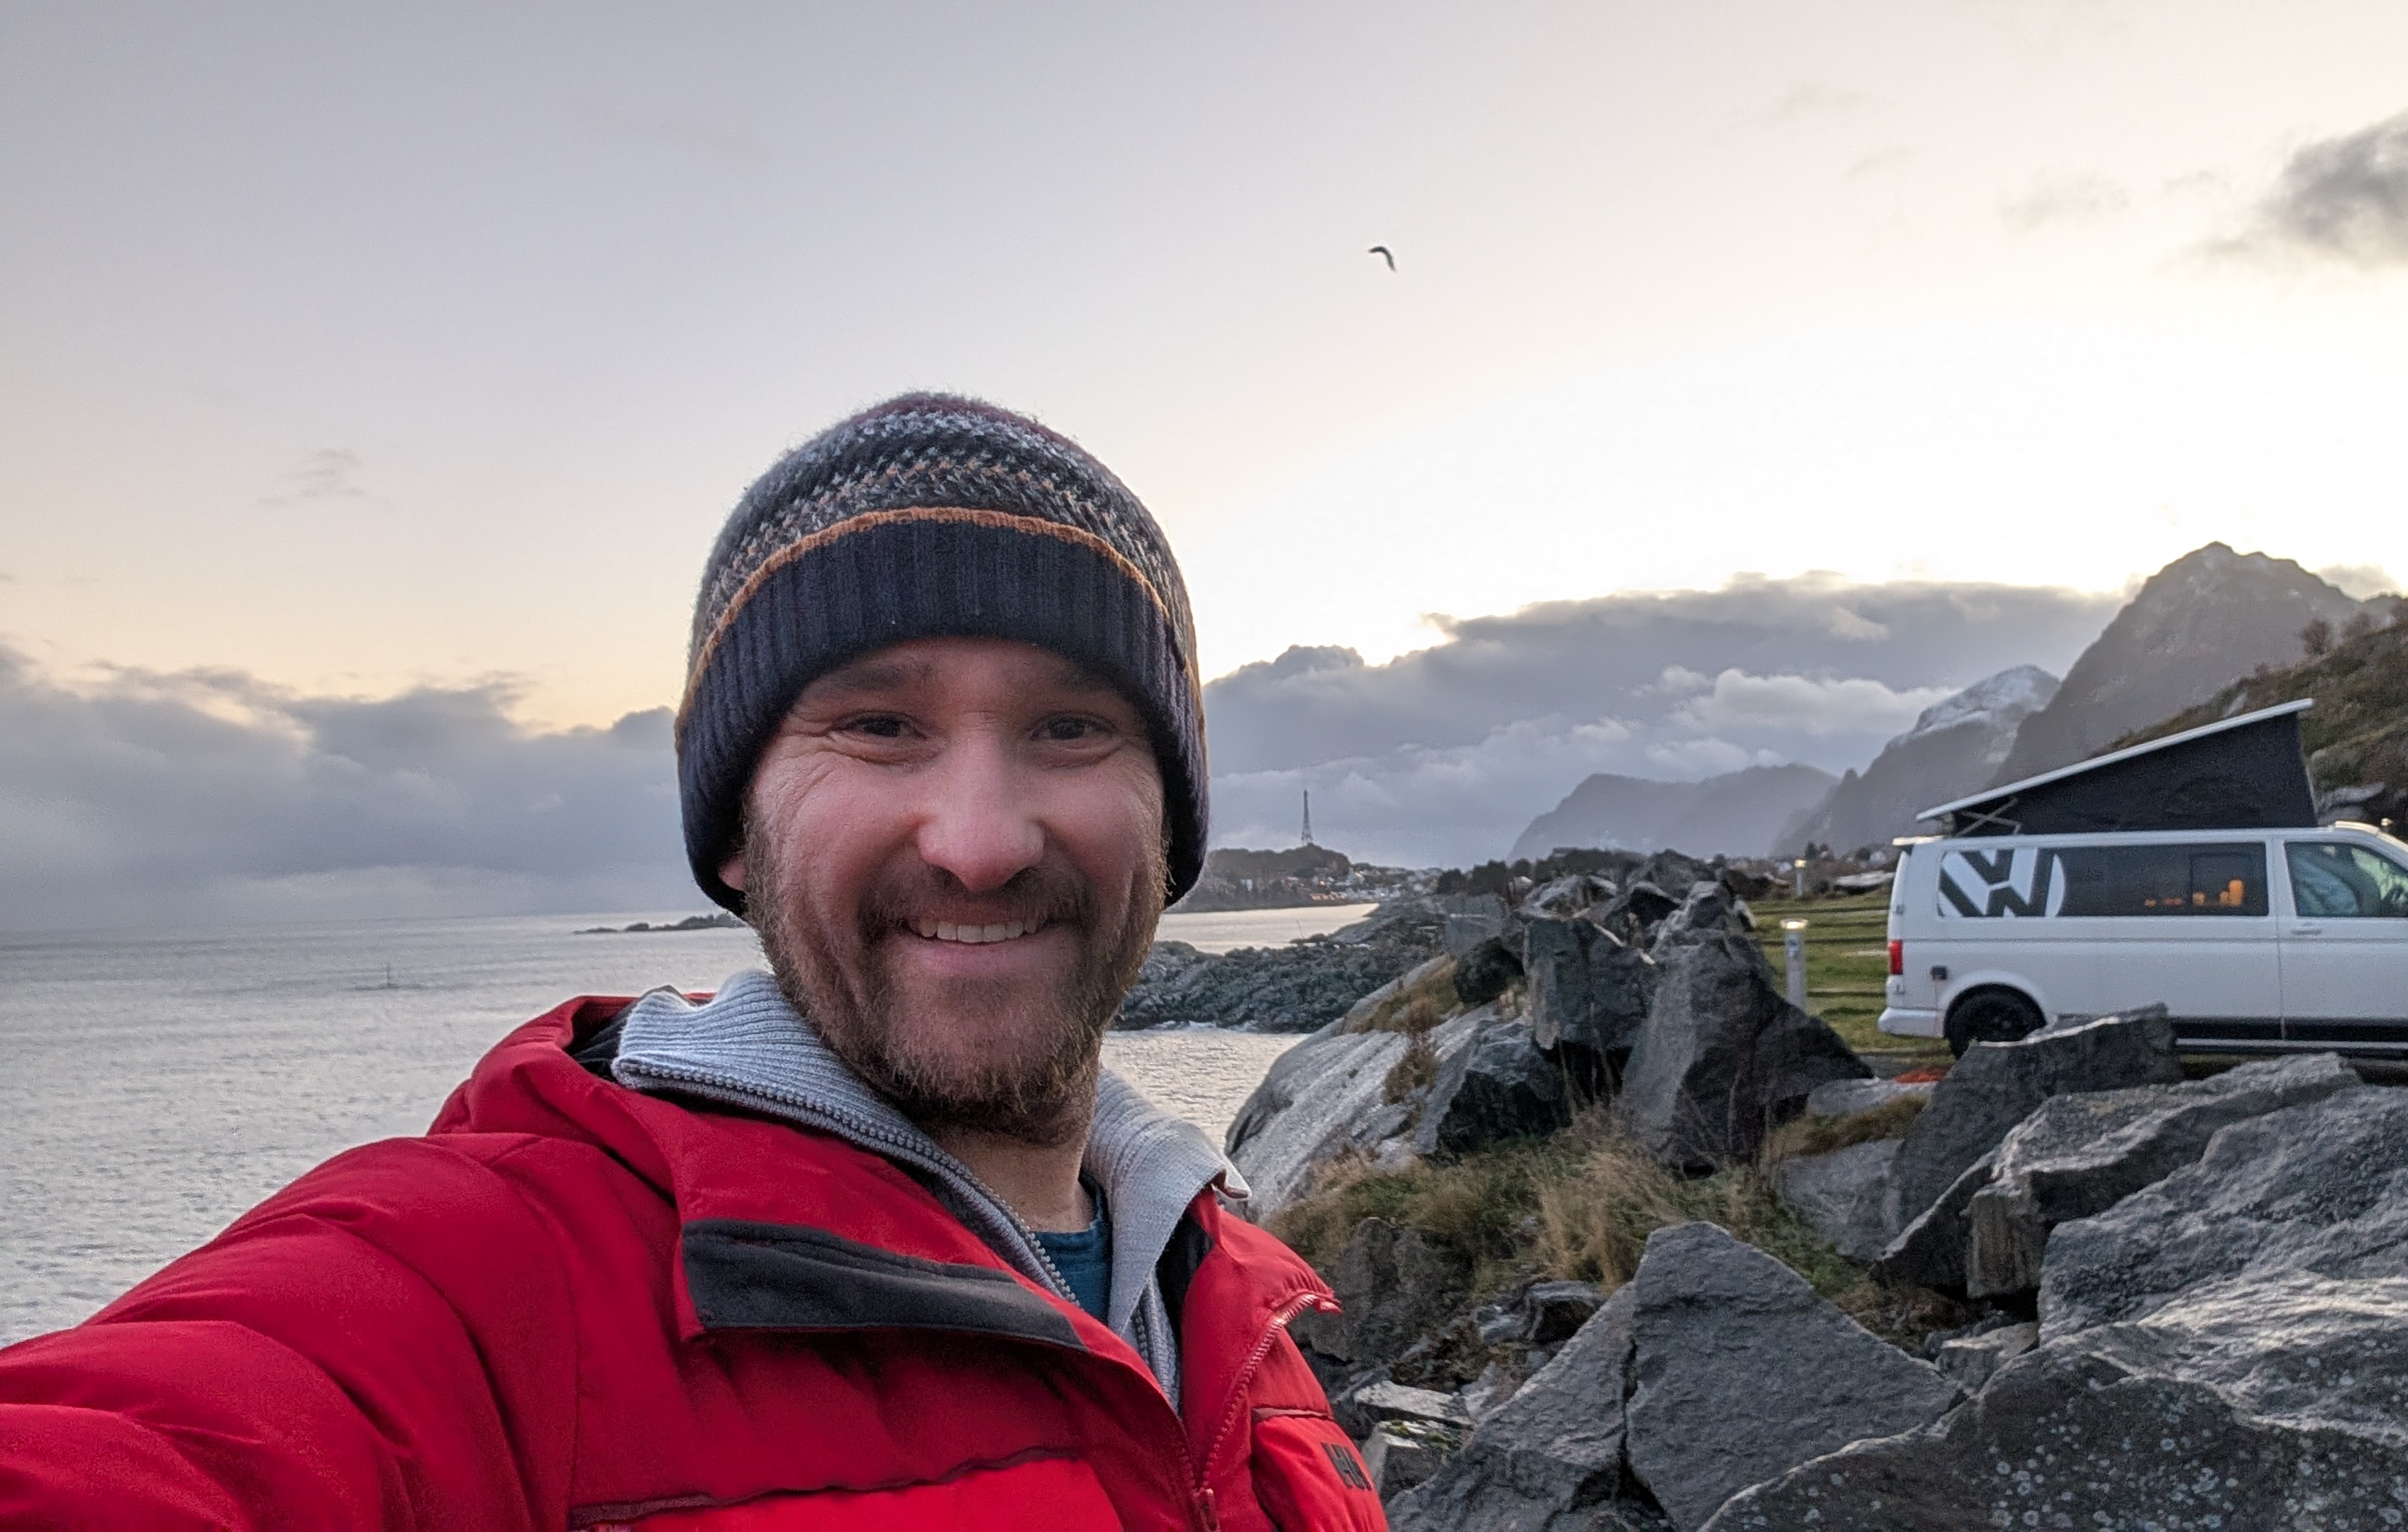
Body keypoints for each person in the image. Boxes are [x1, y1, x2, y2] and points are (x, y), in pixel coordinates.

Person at [0, 394, 1389, 1530]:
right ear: (732, 829)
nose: (977, 841)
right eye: (880, 726)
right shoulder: (492, 1285)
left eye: (1072, 728)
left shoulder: (1239, 1309)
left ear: (1174, 811)